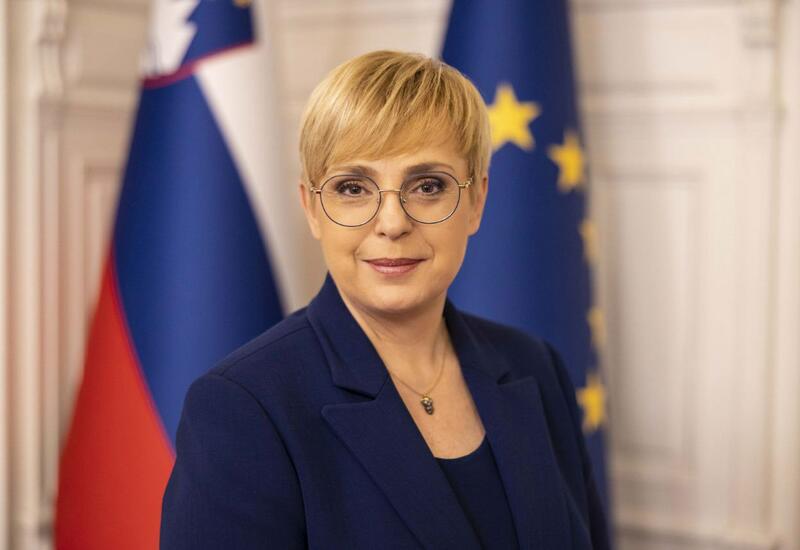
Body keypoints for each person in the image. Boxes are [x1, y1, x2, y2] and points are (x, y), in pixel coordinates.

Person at [160, 50, 610, 550]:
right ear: (312, 208)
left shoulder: (535, 366)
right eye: (353, 188)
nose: (393, 223)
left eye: (428, 186)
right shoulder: (244, 407)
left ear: (476, 200)